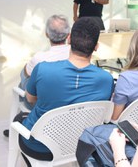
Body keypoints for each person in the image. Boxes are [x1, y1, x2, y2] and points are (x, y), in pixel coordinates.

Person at [18, 17, 114, 163]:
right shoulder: (106, 79)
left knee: (19, 118)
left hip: (40, 146)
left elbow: (30, 99)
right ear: (96, 47)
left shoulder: (43, 69)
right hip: (83, 144)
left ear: (69, 39)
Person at [20, 14, 71, 109]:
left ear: (46, 34)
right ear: (68, 34)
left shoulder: (39, 58)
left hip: (42, 107)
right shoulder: (76, 55)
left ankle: (20, 96)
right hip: (67, 103)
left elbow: (26, 74)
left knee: (24, 74)